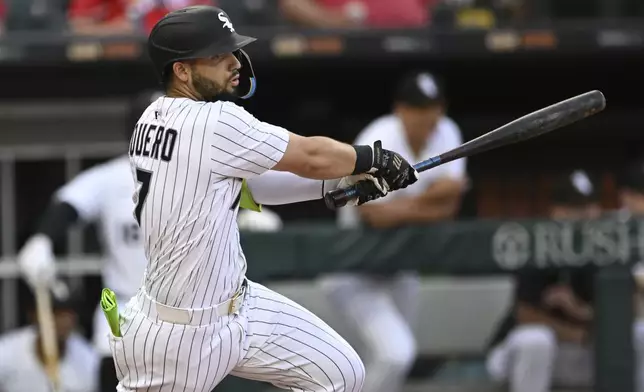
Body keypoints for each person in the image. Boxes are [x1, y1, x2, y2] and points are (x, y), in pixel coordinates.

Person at [111, 5, 419, 392]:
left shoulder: (152, 116)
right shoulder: (215, 121)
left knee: (342, 374)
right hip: (178, 337)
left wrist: (340, 181)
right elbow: (309, 156)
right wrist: (373, 158)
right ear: (182, 70)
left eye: (231, 50)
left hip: (239, 309)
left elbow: (248, 186)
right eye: (217, 55)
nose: (233, 62)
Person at [319, 71, 467, 392]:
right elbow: (373, 216)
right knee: (395, 355)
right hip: (354, 271)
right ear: (400, 109)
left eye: (434, 106)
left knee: (389, 367)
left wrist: (403, 203)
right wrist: (427, 201)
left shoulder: (447, 130)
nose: (428, 115)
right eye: (418, 107)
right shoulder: (378, 137)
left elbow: (451, 205)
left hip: (402, 269)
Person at [16, 90, 163, 392]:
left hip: (190, 314)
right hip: (123, 310)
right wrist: (42, 240)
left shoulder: (199, 174)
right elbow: (68, 205)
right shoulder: (111, 178)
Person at [485, 169, 644, 392]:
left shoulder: (607, 248)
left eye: (589, 206)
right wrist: (578, 333)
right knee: (536, 341)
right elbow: (525, 315)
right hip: (522, 355)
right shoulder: (535, 244)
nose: (584, 215)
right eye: (574, 208)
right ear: (555, 211)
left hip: (583, 351)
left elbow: (629, 310)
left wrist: (579, 310)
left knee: (639, 333)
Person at [0, 282, 99, 392]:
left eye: (69, 313)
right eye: (56, 313)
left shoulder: (88, 360)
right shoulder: (6, 352)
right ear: (34, 315)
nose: (64, 321)